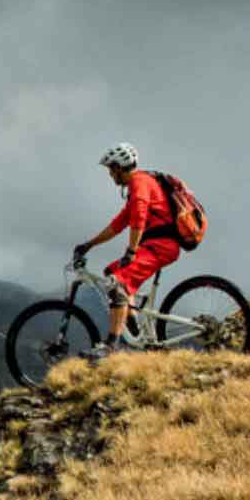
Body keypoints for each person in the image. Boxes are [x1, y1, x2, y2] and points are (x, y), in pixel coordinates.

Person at [72, 142, 180, 360]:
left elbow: (139, 218)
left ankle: (111, 346)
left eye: (111, 170)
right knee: (110, 272)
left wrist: (131, 251)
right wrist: (89, 244)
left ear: (119, 167)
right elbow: (118, 224)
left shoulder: (140, 183)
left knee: (118, 283)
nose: (111, 175)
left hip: (161, 246)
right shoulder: (136, 186)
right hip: (153, 245)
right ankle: (134, 328)